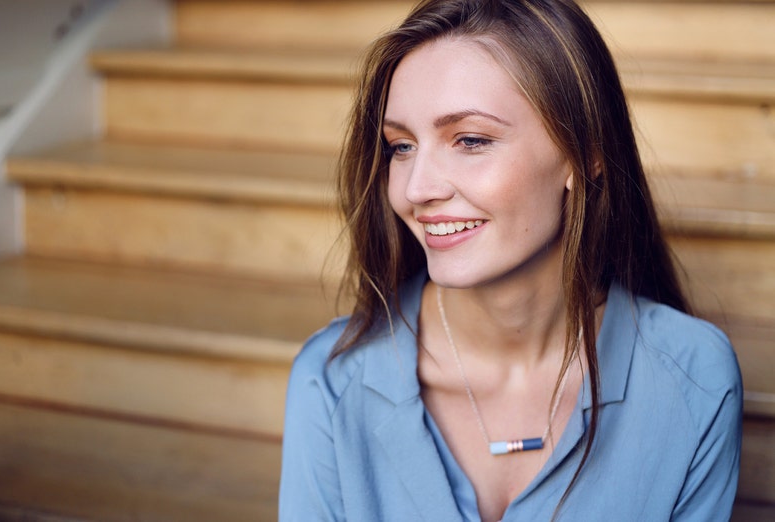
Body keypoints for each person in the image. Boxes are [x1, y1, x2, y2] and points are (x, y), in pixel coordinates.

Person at [279, 0, 743, 520]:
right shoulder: (333, 380)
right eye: (400, 146)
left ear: (585, 152)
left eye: (471, 140)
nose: (417, 188)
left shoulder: (693, 379)